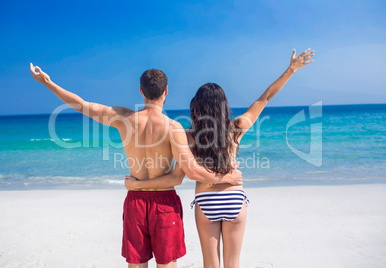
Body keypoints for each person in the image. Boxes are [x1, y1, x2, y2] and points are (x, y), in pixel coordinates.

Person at [29, 65, 243, 268]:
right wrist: (228, 178)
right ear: (166, 91)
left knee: (136, 264)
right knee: (167, 263)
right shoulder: (173, 127)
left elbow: (82, 105)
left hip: (135, 202)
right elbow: (185, 175)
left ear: (141, 90)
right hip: (165, 204)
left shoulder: (124, 118)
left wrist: (48, 83)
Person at [125, 48, 315, 268]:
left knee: (210, 263)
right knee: (232, 263)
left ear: (197, 105)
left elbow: (168, 155)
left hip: (206, 201)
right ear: (224, 105)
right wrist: (291, 70)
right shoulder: (237, 128)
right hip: (234, 199)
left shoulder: (189, 136)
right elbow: (265, 97)